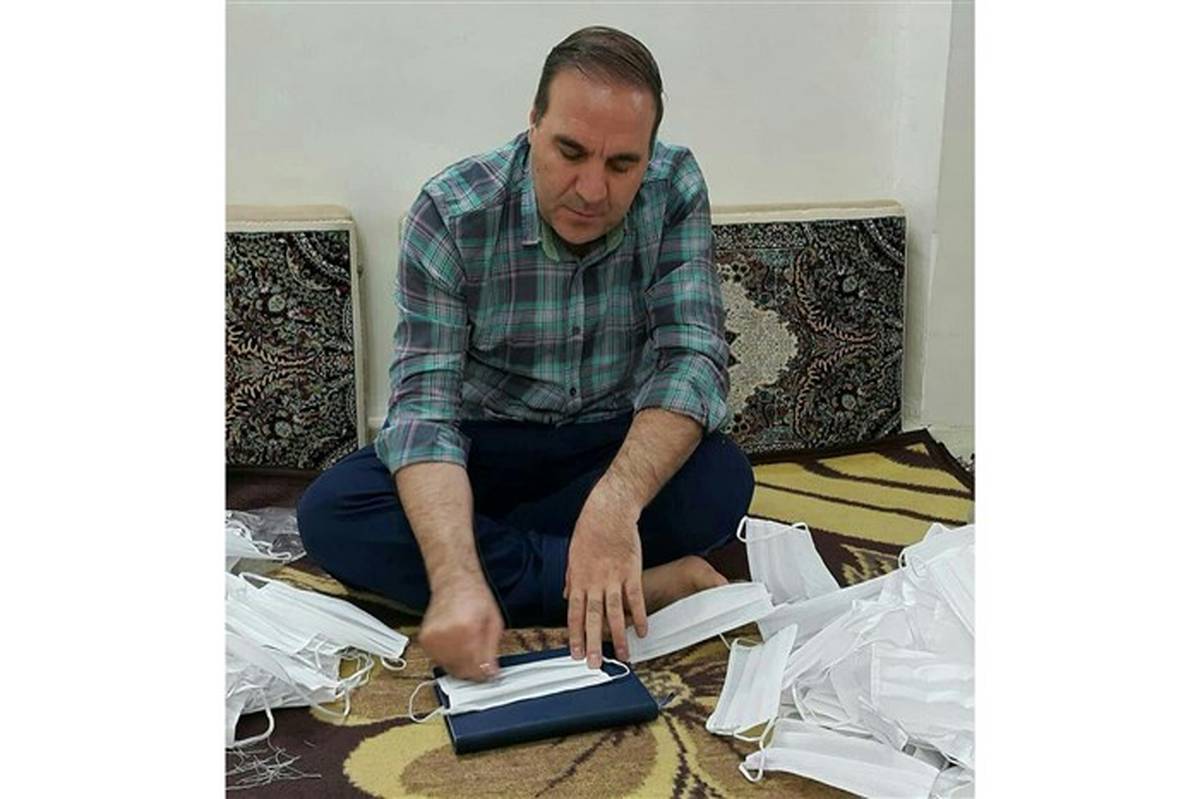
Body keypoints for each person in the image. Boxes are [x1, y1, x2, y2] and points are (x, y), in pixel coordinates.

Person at [297, 26, 754, 682]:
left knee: (723, 478)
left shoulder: (675, 187)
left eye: (621, 165)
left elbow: (694, 361)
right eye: (571, 151)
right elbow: (423, 415)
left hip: (605, 447)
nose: (591, 190)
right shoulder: (450, 212)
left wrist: (615, 503)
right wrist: (454, 574)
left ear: (649, 156)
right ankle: (629, 582)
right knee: (333, 512)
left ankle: (532, 566)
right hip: (485, 450)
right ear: (533, 124)